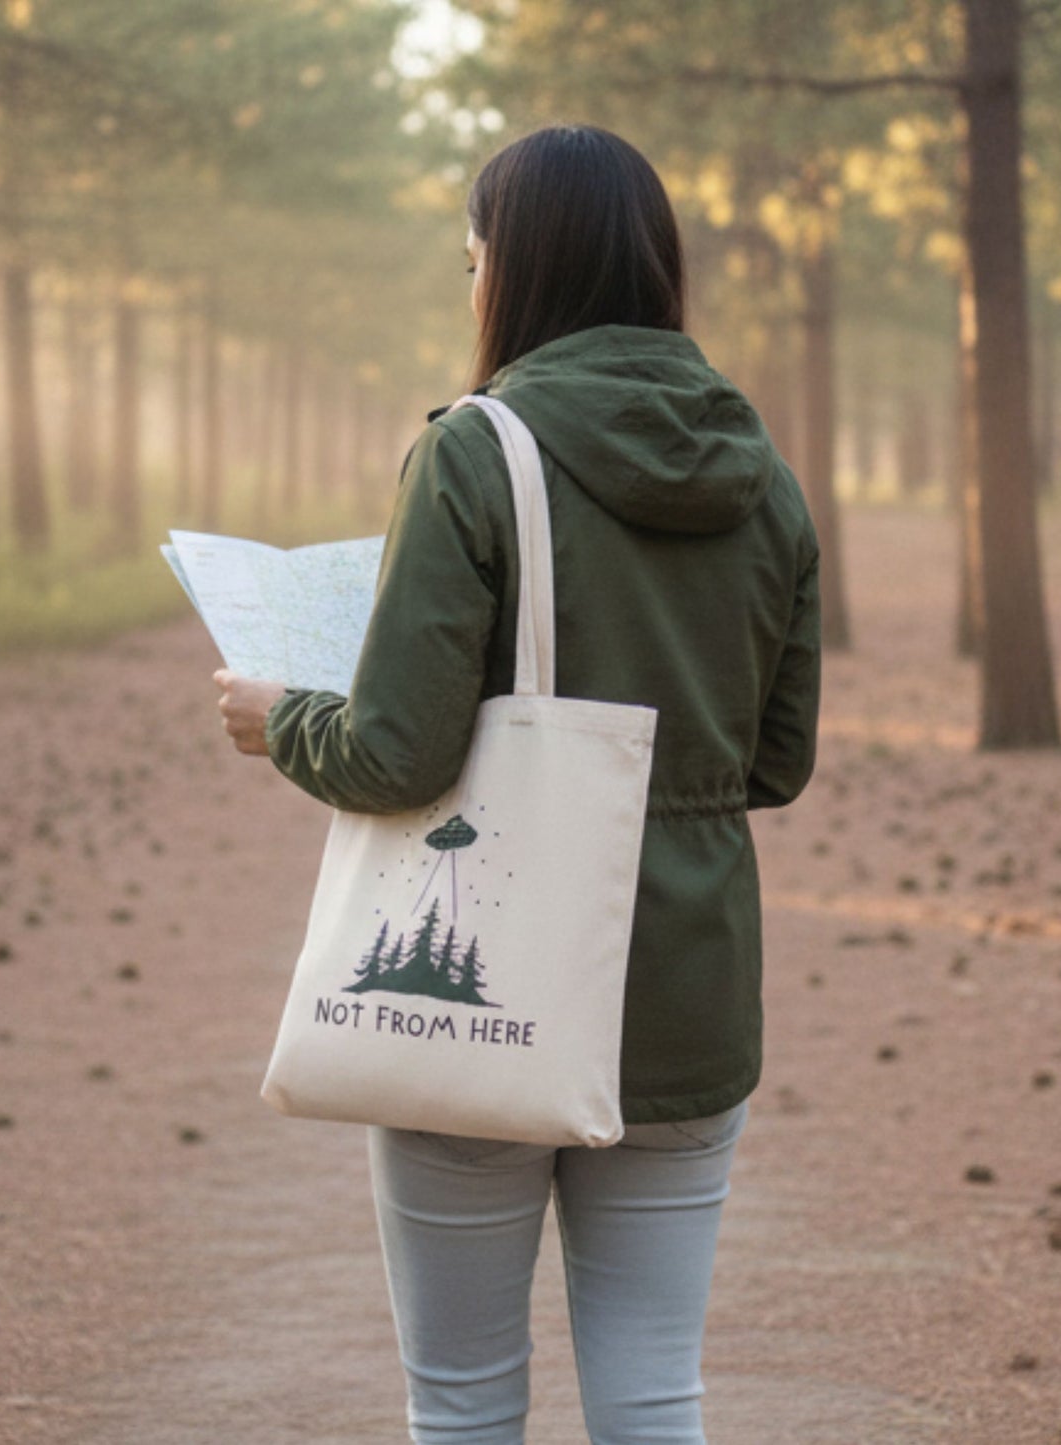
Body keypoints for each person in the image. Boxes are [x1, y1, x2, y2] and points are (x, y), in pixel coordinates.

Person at [214, 124, 821, 1445]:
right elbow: (775, 760)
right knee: (656, 1394)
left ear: (513, 269)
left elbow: (396, 755)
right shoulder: (763, 479)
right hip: (688, 991)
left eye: (472, 254)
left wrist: (283, 718)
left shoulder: (475, 453)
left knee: (466, 1404)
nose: (468, 278)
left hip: (478, 983)